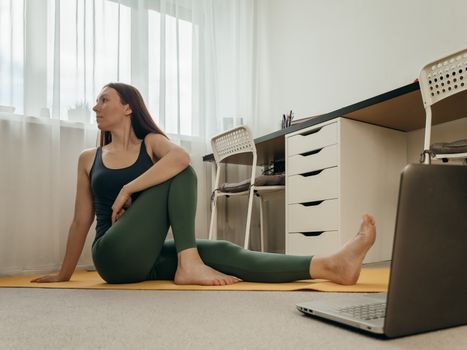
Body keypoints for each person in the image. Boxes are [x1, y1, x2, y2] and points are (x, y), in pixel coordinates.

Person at [32, 82, 376, 286]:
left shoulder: (151, 142)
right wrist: (64, 274)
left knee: (224, 252)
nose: (95, 106)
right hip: (112, 253)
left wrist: (128, 188)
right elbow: (81, 221)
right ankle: (189, 262)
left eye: (103, 99)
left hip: (147, 254)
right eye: (96, 102)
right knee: (181, 173)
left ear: (127, 108)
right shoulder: (87, 157)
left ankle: (330, 265)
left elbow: (180, 157)